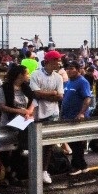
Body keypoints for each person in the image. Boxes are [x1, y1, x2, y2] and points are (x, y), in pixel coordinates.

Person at [29, 50, 65, 184]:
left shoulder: (58, 77)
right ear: (50, 61)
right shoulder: (35, 74)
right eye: (57, 60)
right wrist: (52, 93)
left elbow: (60, 96)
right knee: (35, 144)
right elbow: (36, 93)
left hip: (53, 113)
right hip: (38, 113)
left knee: (48, 145)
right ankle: (35, 170)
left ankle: (43, 170)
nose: (59, 62)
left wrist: (47, 94)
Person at [59, 61, 93, 175]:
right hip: (67, 116)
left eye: (72, 68)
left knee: (76, 142)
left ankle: (76, 166)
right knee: (74, 142)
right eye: (67, 68)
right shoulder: (68, 83)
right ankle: (82, 165)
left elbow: (87, 98)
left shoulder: (82, 82)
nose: (68, 70)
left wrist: (82, 113)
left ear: (78, 70)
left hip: (77, 117)